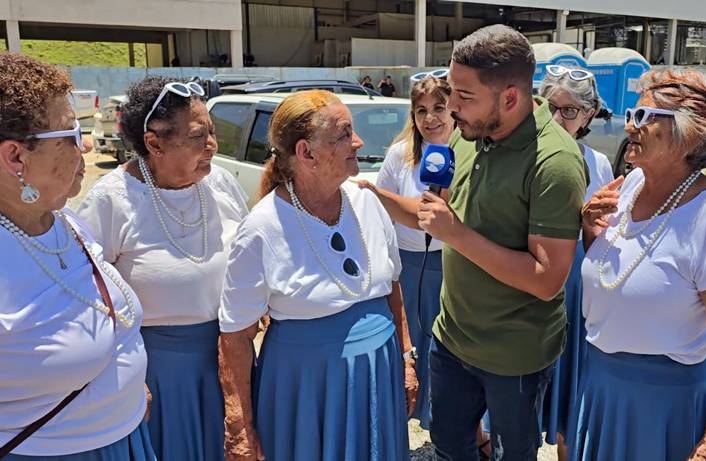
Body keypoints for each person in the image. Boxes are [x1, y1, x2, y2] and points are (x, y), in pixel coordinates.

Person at [362, 25, 588, 460]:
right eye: (452, 92)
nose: (450, 108)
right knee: (449, 447)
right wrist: (372, 196)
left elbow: (546, 280)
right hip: (451, 342)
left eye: (464, 96)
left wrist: (457, 235)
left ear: (509, 98)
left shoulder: (555, 162)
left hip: (514, 358)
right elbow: (436, 217)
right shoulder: (468, 137)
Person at [217, 90, 418, 461]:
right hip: (306, 391)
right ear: (306, 153)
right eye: (344, 134)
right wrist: (240, 426)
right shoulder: (260, 229)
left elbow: (392, 286)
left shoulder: (367, 201)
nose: (358, 142)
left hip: (378, 377)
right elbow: (235, 338)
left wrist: (406, 358)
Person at [577, 68, 706, 461]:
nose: (629, 126)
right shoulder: (630, 185)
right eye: (630, 114)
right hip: (600, 385)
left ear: (692, 132)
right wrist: (590, 230)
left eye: (643, 117)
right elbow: (612, 277)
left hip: (662, 403)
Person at [77, 75, 249, 461]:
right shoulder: (112, 200)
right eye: (197, 136)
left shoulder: (219, 183)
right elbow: (85, 299)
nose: (212, 145)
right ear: (153, 143)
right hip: (156, 375)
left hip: (230, 361)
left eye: (212, 131)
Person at [0, 53, 154, 460]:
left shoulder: (64, 222)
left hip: (123, 438)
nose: (84, 144)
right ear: (16, 158)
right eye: (71, 131)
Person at [370, 75, 454, 433]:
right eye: (421, 110)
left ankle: (448, 428)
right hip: (406, 267)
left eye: (438, 108)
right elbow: (380, 208)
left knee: (446, 351)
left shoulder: (467, 153)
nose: (430, 118)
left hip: (451, 266)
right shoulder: (398, 156)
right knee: (410, 347)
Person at [537, 66, 613, 461]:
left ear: (588, 116)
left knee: (572, 377)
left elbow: (607, 231)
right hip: (532, 275)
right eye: (550, 107)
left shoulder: (598, 162)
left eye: (569, 111)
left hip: (577, 282)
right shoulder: (526, 153)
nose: (557, 119)